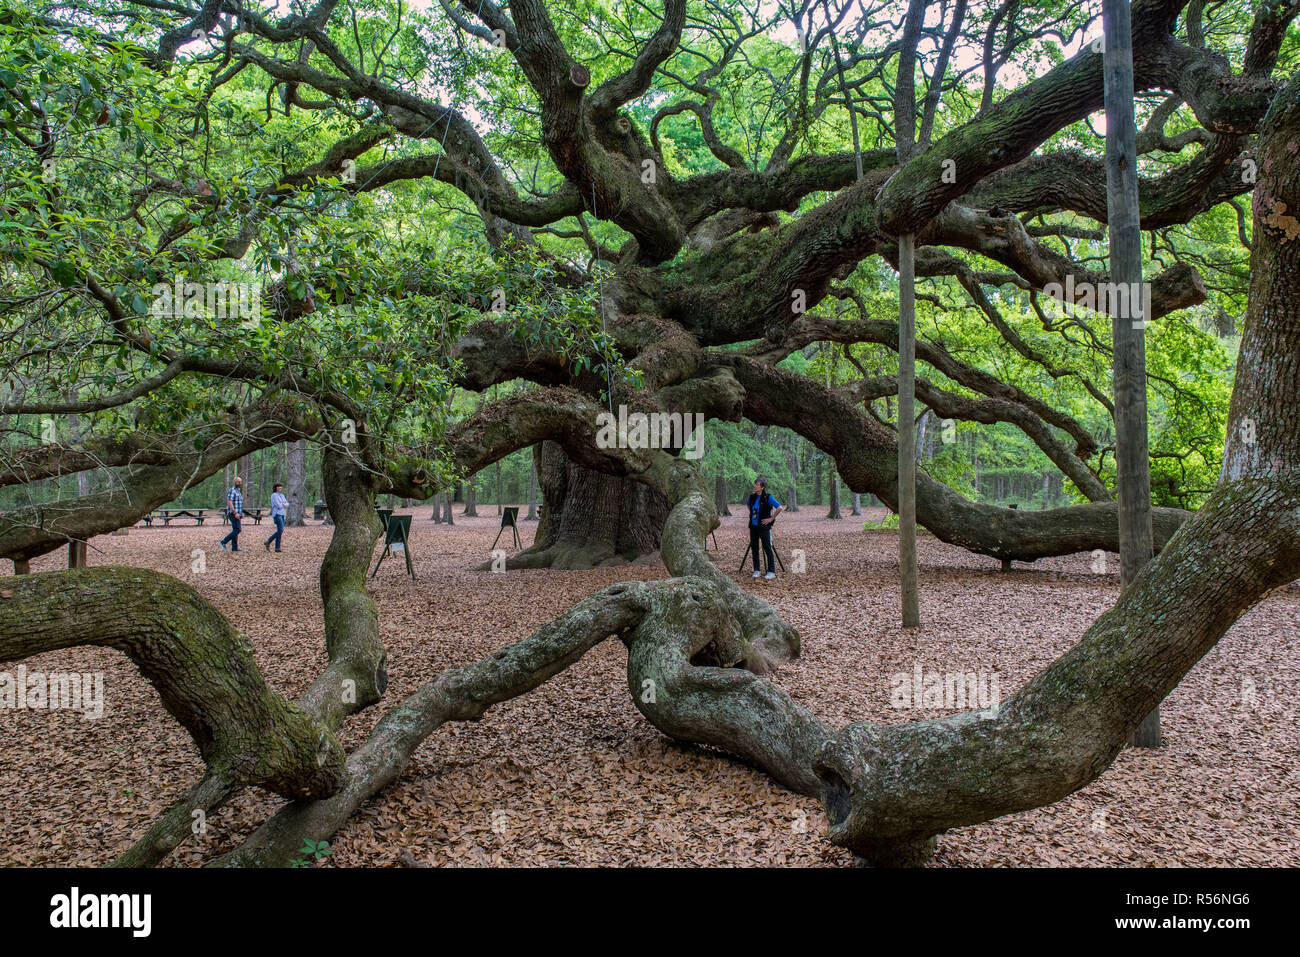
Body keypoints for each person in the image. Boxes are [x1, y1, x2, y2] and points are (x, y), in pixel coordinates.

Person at [746, 477, 784, 580]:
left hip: (764, 527)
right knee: (754, 548)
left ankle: (771, 571)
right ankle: (756, 570)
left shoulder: (768, 497)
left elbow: (780, 507)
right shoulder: (752, 497)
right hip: (753, 526)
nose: (755, 486)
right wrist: (753, 515)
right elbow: (748, 505)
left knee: (767, 548)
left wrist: (771, 518)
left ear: (762, 487)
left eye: (757, 485)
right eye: (755, 484)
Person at [219, 476, 250, 551]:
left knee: (235, 529)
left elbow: (239, 504)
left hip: (238, 514)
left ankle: (234, 547)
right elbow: (229, 502)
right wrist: (234, 512)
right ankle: (223, 542)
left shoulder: (238, 491)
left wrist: (241, 513)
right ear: (234, 482)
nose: (239, 483)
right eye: (237, 481)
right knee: (238, 529)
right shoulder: (232, 490)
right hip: (233, 513)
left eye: (240, 481)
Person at [265, 482, 288, 552]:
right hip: (277, 514)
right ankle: (268, 541)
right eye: (278, 487)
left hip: (282, 514)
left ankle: (277, 547)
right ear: (276, 488)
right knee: (280, 530)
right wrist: (283, 504)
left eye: (281, 487)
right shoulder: (274, 495)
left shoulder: (282, 495)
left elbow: (287, 504)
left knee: (280, 531)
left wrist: (283, 504)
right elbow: (278, 505)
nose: (280, 488)